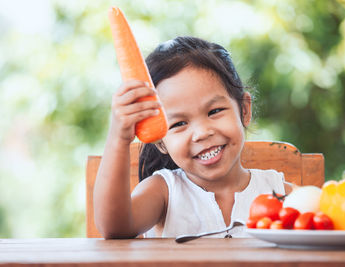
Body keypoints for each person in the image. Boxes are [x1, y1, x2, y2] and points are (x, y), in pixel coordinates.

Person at [94, 36, 285, 239]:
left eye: (215, 111)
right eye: (178, 124)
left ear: (244, 110)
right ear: (160, 142)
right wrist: (119, 138)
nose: (202, 133)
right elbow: (115, 227)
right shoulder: (163, 192)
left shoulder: (280, 192)